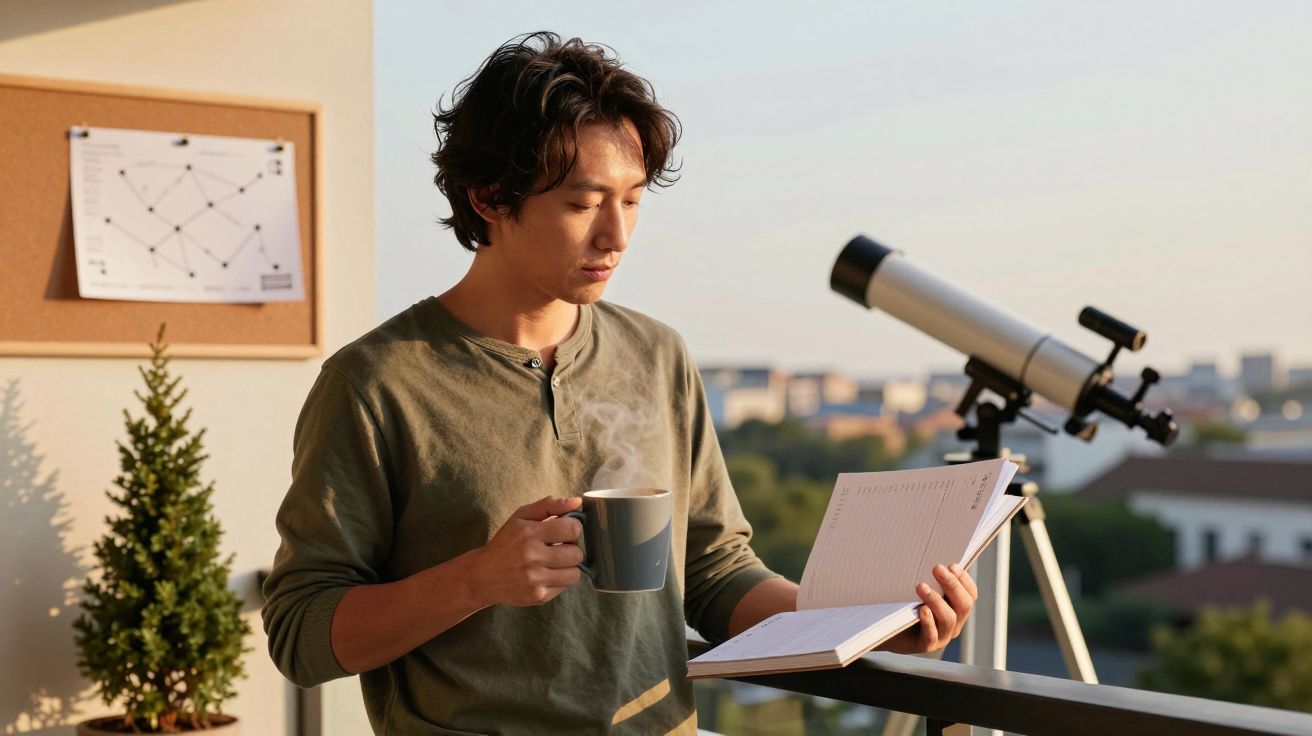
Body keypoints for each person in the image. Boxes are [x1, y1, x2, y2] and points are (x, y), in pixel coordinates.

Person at [261, 31, 978, 735]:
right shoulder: (375, 384)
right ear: (489, 197)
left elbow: (711, 571)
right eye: (583, 203)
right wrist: (477, 578)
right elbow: (301, 634)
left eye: (632, 199)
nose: (618, 235)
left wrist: (867, 628)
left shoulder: (656, 355)